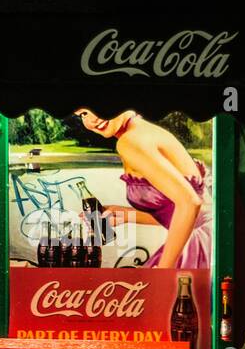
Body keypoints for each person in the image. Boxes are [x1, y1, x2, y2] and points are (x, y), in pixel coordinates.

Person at [75, 108, 212, 269]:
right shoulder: (144, 131)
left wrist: (163, 272)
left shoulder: (130, 142)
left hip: (195, 248)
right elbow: (187, 212)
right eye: (83, 114)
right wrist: (126, 215)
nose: (92, 120)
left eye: (97, 107)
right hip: (207, 238)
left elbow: (190, 203)